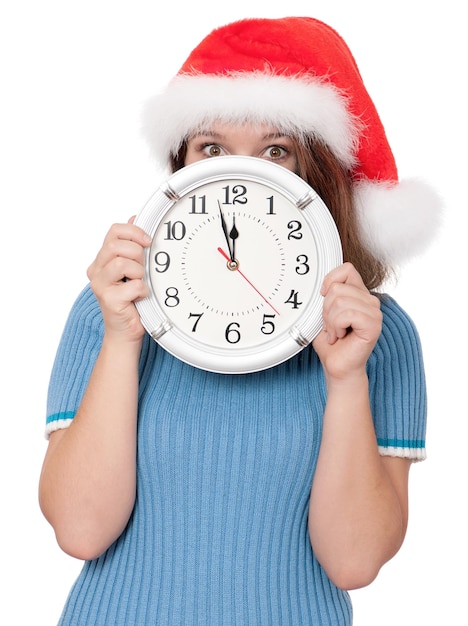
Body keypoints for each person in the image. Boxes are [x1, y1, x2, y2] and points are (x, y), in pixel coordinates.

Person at [39, 16, 441, 626]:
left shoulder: (377, 336)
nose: (242, 174)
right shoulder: (110, 308)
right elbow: (80, 529)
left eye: (277, 150)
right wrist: (123, 340)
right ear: (185, 167)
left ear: (321, 175)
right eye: (212, 148)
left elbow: (353, 561)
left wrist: (345, 379)